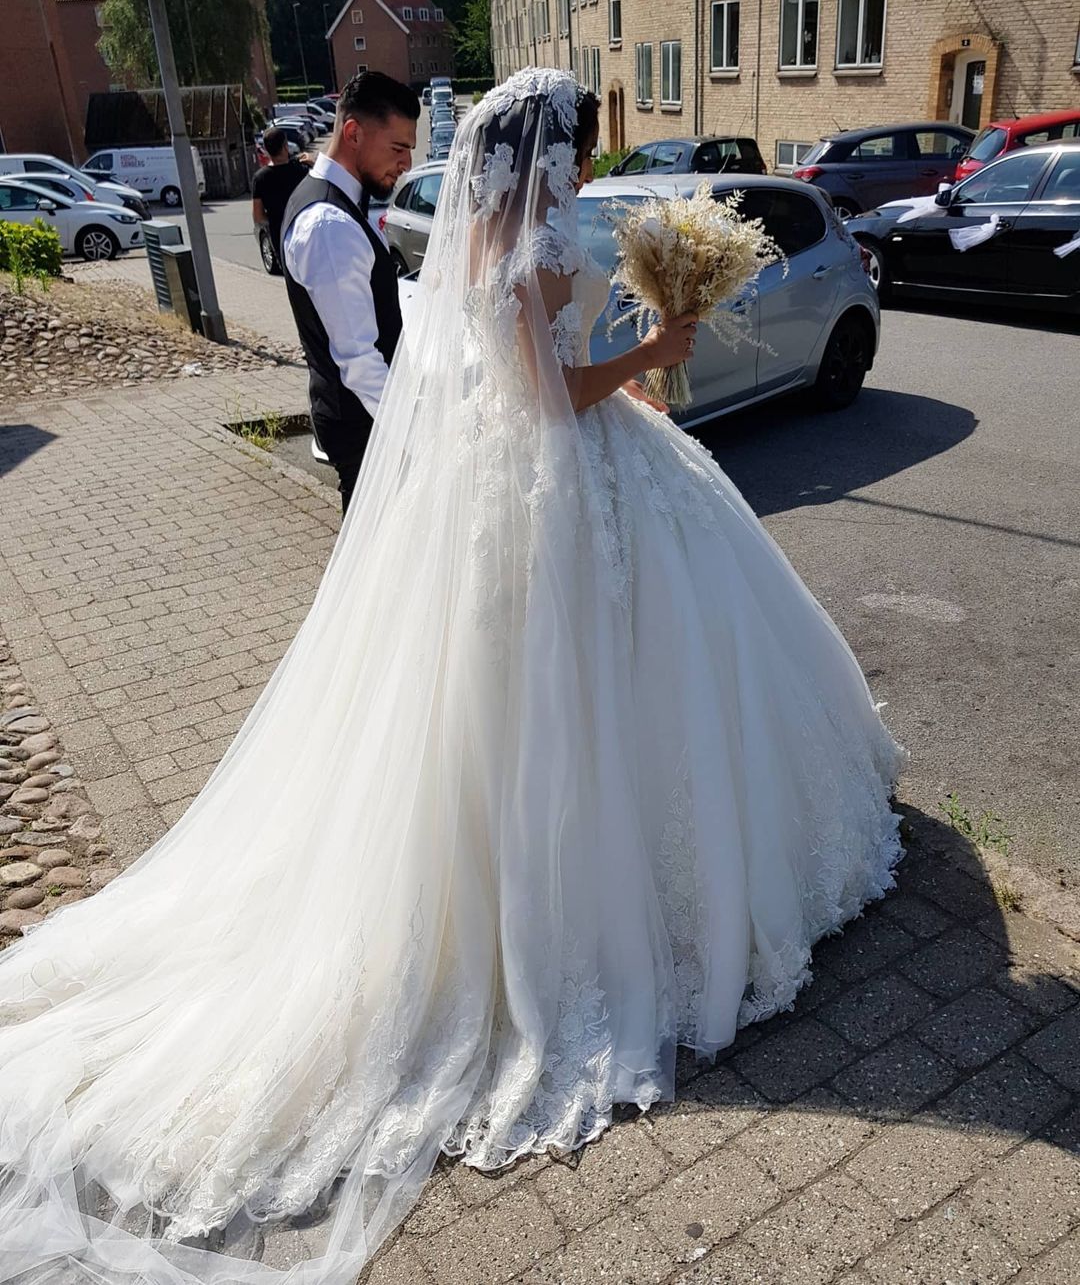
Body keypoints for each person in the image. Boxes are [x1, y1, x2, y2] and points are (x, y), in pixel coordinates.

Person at [0, 69, 903, 1284]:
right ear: (539, 153)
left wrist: (636, 367)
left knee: (561, 696)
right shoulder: (528, 240)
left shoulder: (487, 231)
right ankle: (604, 920)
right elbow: (544, 394)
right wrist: (652, 344)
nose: (584, 165)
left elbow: (523, 377)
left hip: (559, 472)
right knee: (587, 695)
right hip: (565, 485)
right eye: (576, 147)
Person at [282, 71, 419, 515]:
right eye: (398, 148)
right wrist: (421, 435)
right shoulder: (329, 226)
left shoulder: (332, 208)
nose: (407, 165)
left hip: (369, 425)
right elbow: (359, 362)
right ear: (354, 133)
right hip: (369, 434)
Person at [251, 126, 313, 274]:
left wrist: (275, 220)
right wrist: (313, 163)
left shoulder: (260, 178)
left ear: (266, 150)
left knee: (292, 281)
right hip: (306, 231)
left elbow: (258, 216)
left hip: (280, 236)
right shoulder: (301, 170)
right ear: (286, 146)